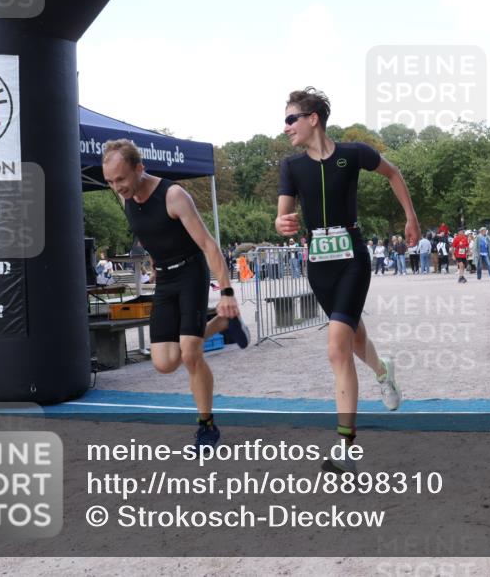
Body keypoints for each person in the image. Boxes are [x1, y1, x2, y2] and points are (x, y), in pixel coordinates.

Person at [276, 88, 418, 473]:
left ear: (313, 118)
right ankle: (384, 372)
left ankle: (345, 446)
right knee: (354, 337)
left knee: (337, 347)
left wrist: (411, 218)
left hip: (352, 257)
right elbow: (283, 216)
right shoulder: (291, 167)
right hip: (318, 264)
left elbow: (393, 173)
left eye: (291, 119)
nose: (285, 126)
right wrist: (282, 223)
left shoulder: (353, 154)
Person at [101, 139, 249, 448]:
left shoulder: (173, 195)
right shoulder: (124, 198)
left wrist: (226, 292)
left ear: (139, 168)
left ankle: (206, 426)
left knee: (191, 353)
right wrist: (155, 261)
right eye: (111, 181)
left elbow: (209, 245)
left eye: (122, 179)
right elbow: (152, 233)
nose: (117, 187)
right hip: (165, 280)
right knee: (165, 362)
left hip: (191, 273)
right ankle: (222, 325)